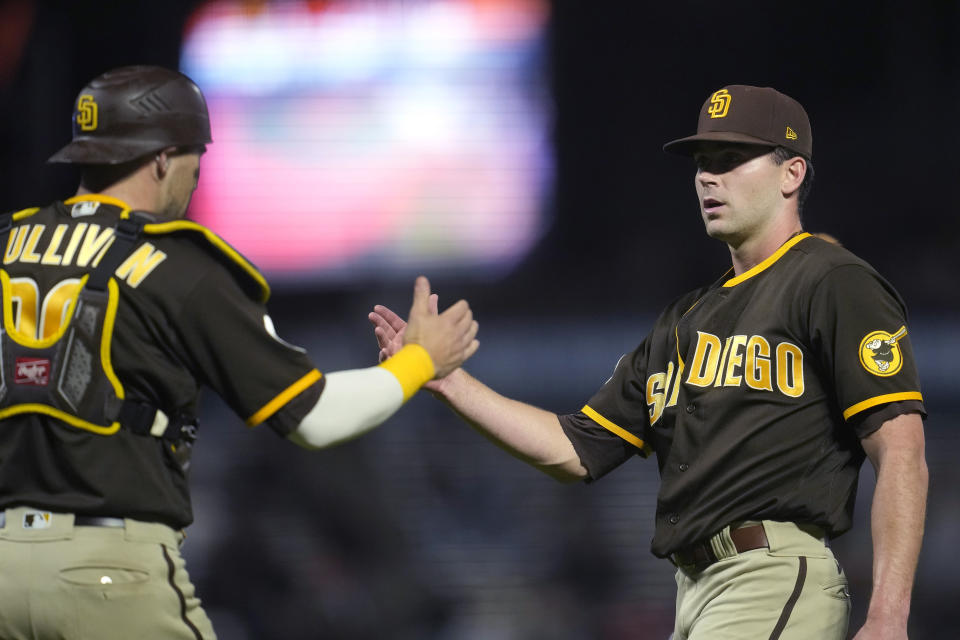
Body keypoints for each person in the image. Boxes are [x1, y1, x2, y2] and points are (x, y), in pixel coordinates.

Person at [370, 85, 927, 639]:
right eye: (703, 162)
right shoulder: (682, 322)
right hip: (694, 595)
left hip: (771, 576)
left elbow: (901, 449)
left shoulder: (831, 281)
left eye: (732, 159)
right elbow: (575, 449)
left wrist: (888, 615)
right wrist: (448, 380)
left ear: (792, 174)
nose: (709, 176)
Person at [0, 65, 479, 639]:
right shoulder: (176, 266)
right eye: (194, 160)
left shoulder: (8, 241)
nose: (195, 180)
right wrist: (421, 360)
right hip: (107, 574)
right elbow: (317, 418)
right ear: (161, 158)